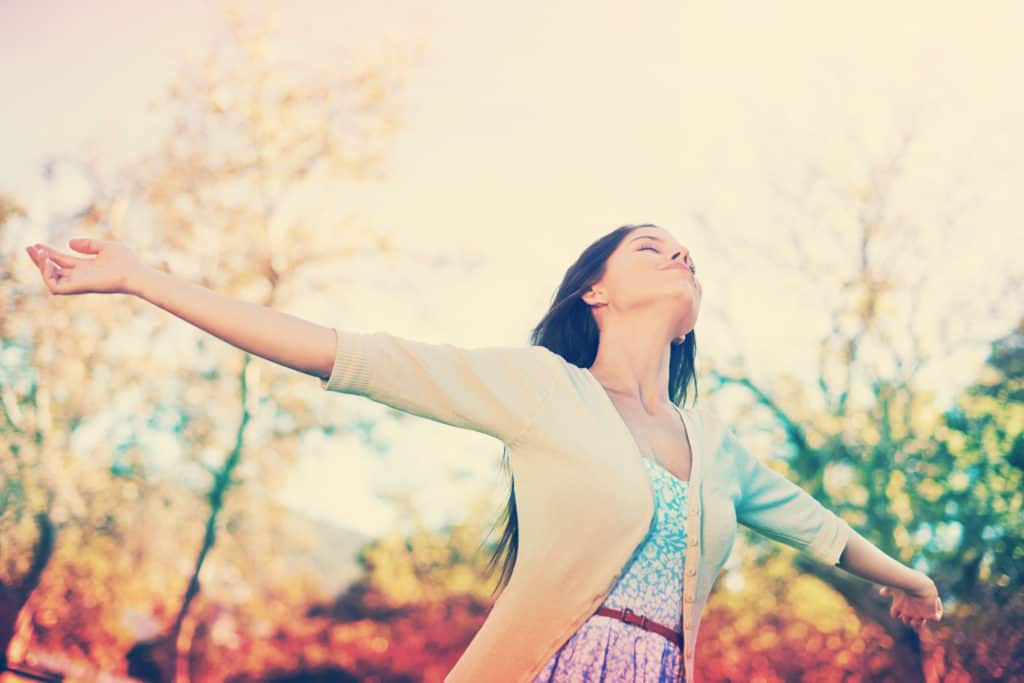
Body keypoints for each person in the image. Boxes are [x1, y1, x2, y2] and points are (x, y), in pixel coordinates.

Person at [24, 223, 943, 682]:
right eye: (656, 249)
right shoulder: (543, 387)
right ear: (595, 288)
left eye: (690, 256)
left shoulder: (720, 448)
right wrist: (141, 279)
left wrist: (904, 575)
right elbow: (346, 353)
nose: (682, 260)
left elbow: (816, 527)